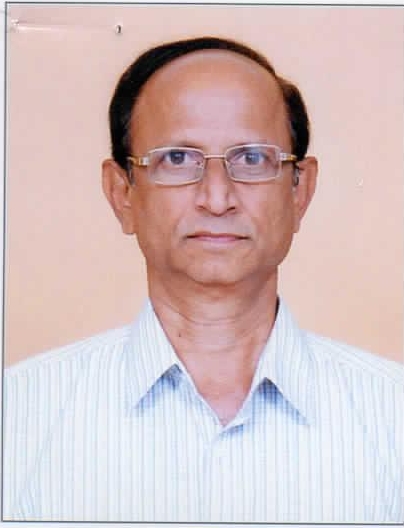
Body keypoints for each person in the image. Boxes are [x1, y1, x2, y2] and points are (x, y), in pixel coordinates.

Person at [3, 36, 403, 523]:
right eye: (177, 159)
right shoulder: (18, 417)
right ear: (122, 193)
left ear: (300, 191)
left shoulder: (392, 416)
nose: (217, 198)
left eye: (252, 159)